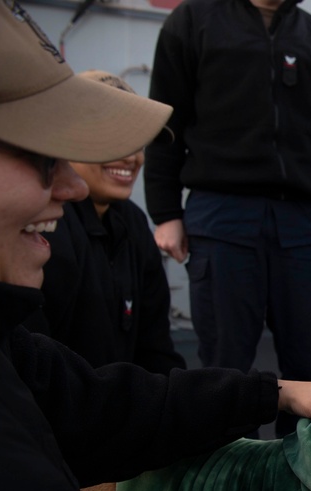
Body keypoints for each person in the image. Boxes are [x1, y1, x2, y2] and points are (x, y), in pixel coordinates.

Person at [0, 1, 311, 491]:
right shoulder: (13, 487)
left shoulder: (10, 355)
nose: (73, 183)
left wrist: (272, 392)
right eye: (40, 155)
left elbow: (110, 400)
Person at [145, 0, 311, 436]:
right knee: (225, 365)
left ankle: (302, 482)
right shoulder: (192, 23)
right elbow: (165, 121)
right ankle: (227, 482)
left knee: (308, 366)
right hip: (222, 212)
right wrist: (166, 211)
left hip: (306, 221)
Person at [25, 70, 185, 375]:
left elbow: (157, 351)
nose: (131, 157)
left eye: (137, 141)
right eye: (112, 136)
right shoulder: (43, 226)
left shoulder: (134, 225)